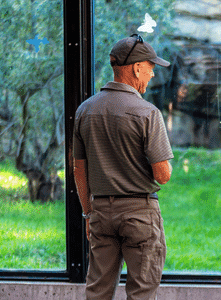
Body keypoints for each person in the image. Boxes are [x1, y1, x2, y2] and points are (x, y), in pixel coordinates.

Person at [73, 34, 173, 300]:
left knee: (97, 292)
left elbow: (78, 170)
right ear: (136, 67)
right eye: (151, 67)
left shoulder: (85, 110)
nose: (152, 74)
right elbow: (162, 175)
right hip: (139, 213)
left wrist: (88, 214)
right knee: (141, 292)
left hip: (101, 212)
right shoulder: (147, 113)